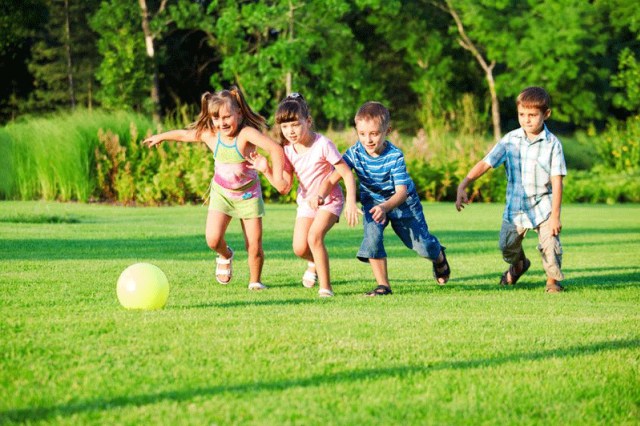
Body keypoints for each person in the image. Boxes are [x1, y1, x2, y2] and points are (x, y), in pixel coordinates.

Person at [143, 86, 285, 291]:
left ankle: (255, 281)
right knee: (212, 239)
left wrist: (277, 177)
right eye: (216, 118)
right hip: (222, 194)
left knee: (254, 246)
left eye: (227, 117)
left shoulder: (246, 134)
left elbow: (275, 149)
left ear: (238, 112)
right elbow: (185, 135)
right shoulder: (211, 135)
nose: (222, 122)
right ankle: (225, 254)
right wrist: (161, 136)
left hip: (248, 196)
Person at [319, 101, 450, 296]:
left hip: (402, 203)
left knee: (423, 246)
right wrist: (321, 194)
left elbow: (401, 192)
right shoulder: (354, 153)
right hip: (372, 202)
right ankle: (383, 286)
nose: (368, 139)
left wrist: (385, 207)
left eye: (374, 133)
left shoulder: (395, 156)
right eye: (362, 134)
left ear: (387, 130)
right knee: (372, 238)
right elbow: (333, 177)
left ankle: (438, 257)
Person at [455, 86, 566, 293]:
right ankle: (519, 265)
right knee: (507, 247)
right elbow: (486, 163)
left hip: (543, 207)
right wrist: (464, 183)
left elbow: (557, 181)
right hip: (515, 208)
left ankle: (552, 281)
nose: (527, 120)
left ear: (546, 114)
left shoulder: (553, 145)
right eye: (522, 114)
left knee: (550, 246)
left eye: (532, 115)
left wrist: (555, 217)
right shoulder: (510, 140)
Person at [248, 93, 359, 298]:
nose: (290, 131)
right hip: (306, 202)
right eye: (284, 126)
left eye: (295, 124)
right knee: (299, 248)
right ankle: (313, 262)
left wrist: (351, 202)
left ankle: (326, 288)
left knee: (314, 237)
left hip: (330, 200)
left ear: (308, 121)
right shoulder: (287, 151)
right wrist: (265, 170)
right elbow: (284, 187)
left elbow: (345, 172)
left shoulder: (323, 144)